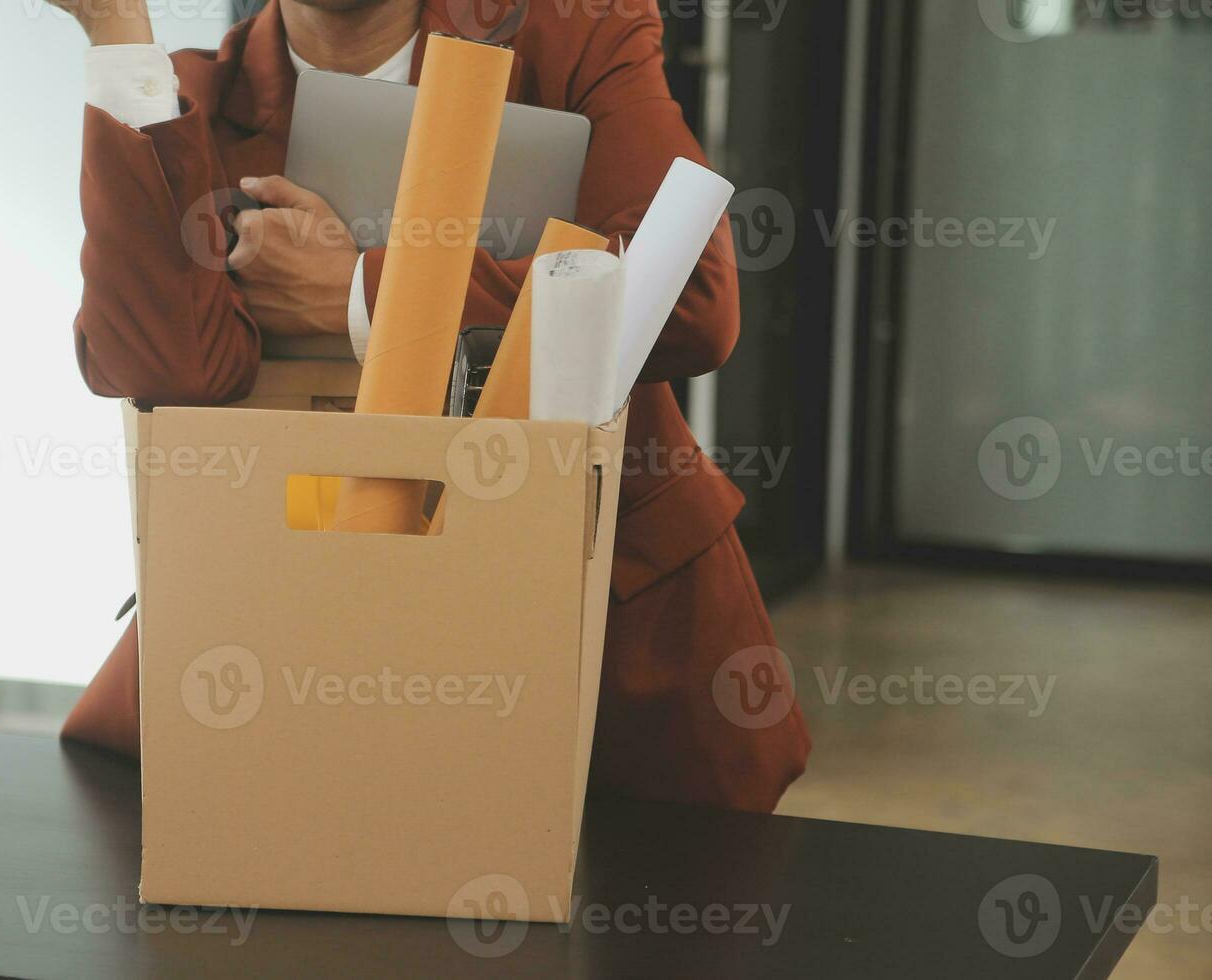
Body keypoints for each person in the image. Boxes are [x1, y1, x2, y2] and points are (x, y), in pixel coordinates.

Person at [53, 0, 811, 811]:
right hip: (311, 640)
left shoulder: (574, 35)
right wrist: (115, 30)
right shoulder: (199, 100)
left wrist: (360, 294)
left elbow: (686, 294)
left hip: (597, 642)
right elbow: (165, 365)